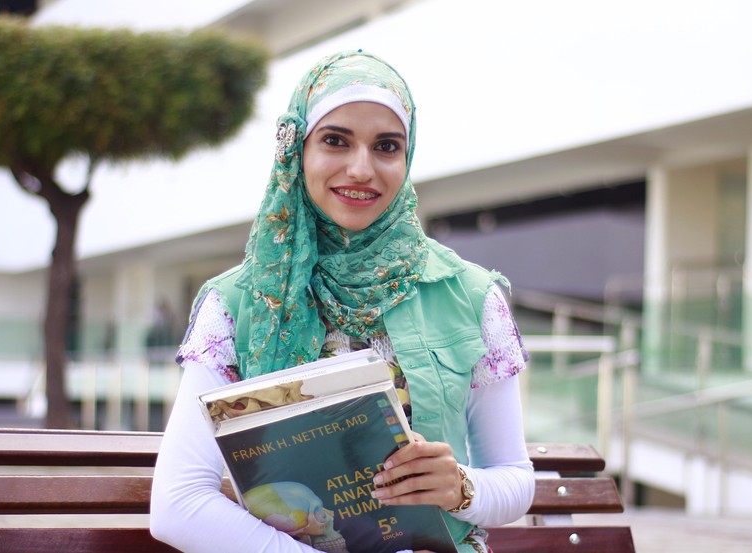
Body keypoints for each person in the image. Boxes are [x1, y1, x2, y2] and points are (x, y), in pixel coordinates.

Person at [150, 50, 534, 553]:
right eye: (335, 140)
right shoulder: (237, 305)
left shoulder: (469, 294)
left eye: (386, 146)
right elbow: (178, 504)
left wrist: (461, 486)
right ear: (297, 151)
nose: (361, 168)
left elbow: (514, 479)